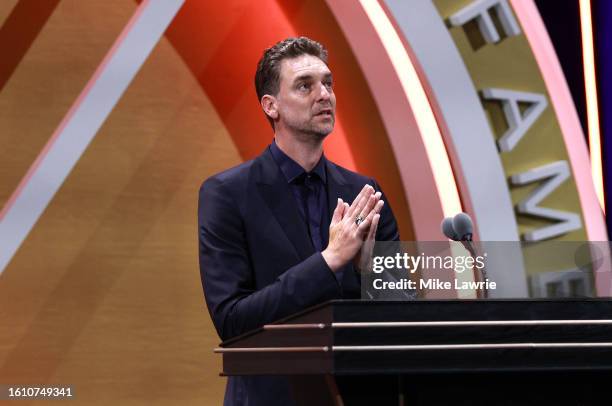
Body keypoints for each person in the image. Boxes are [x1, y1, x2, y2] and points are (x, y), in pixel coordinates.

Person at [198, 37, 400, 406]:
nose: (324, 95)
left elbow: (402, 315)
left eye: (328, 83)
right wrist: (329, 261)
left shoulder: (364, 192)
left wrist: (370, 270)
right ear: (270, 106)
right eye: (305, 85)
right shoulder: (227, 193)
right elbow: (232, 321)